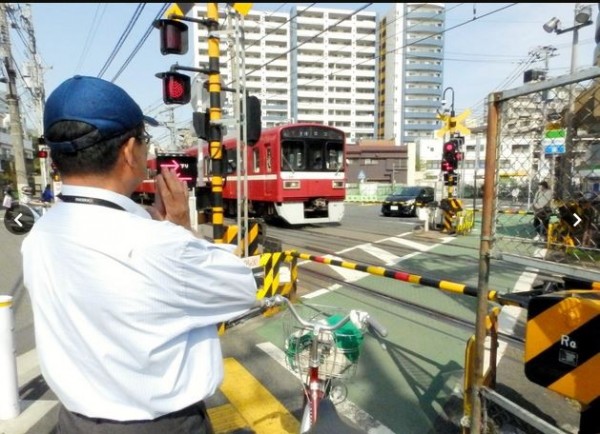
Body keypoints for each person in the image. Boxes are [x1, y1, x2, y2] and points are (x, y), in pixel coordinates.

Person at [21, 75, 257, 434]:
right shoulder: (158, 244)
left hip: (74, 423)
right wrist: (181, 225)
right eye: (145, 141)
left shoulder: (41, 234)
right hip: (163, 426)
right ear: (130, 150)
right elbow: (240, 289)